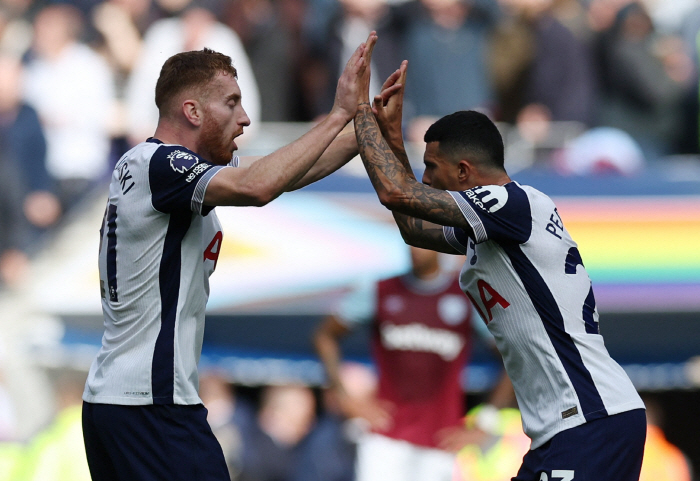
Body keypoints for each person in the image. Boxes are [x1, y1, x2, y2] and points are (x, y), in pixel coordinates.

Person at [351, 34, 646, 481]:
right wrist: (391, 134)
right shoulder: (491, 224)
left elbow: (398, 192)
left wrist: (359, 116)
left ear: (466, 172)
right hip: (566, 428)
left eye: (433, 167)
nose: (426, 178)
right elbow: (412, 225)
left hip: (590, 418)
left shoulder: (511, 203)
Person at [81, 39, 374, 481]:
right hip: (149, 404)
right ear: (193, 112)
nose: (245, 118)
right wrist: (336, 114)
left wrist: (368, 124)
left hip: (126, 402)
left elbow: (286, 174)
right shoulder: (161, 165)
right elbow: (258, 186)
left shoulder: (166, 168)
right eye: (232, 103)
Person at [314, 245, 512, 481]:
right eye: (409, 237)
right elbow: (324, 336)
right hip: (384, 439)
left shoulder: (465, 294)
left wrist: (486, 422)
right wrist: (344, 397)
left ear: (440, 240)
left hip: (441, 443)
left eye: (423, 236)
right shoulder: (379, 290)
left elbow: (513, 357)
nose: (415, 247)